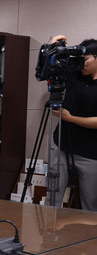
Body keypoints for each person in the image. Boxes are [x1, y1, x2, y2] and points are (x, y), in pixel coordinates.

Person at [46, 35, 97, 211]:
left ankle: (88, 239)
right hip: (61, 145)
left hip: (90, 153)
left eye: (86, 59)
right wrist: (54, 44)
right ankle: (48, 237)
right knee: (52, 198)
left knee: (89, 204)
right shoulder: (75, 73)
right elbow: (48, 66)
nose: (82, 64)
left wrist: (69, 118)